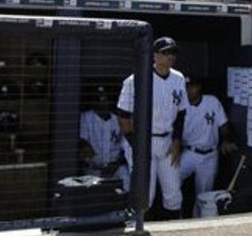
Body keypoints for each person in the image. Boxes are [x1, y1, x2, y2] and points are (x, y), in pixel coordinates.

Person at [117, 37, 188, 219]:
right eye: (165, 52)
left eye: (173, 52)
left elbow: (181, 112)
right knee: (145, 196)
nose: (170, 56)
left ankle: (175, 235)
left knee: (174, 196)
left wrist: (177, 140)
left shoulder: (178, 78)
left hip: (167, 140)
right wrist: (137, 146)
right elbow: (123, 116)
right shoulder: (136, 79)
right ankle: (138, 232)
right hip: (143, 140)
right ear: (154, 55)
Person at [179, 75, 236, 212]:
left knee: (203, 196)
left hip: (209, 155)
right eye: (185, 87)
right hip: (188, 152)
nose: (188, 90)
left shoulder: (211, 102)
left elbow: (224, 125)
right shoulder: (180, 105)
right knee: (171, 179)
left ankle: (196, 223)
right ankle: (175, 216)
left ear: (198, 87)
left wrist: (226, 140)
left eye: (191, 86)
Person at [79, 85, 130, 191]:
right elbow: (82, 141)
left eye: (104, 98)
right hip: (95, 168)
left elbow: (125, 148)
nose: (102, 102)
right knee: (93, 191)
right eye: (98, 99)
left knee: (126, 176)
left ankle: (127, 205)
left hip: (114, 168)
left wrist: (115, 165)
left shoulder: (117, 120)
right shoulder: (86, 117)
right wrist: (85, 148)